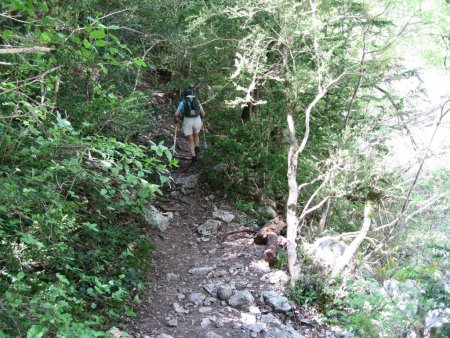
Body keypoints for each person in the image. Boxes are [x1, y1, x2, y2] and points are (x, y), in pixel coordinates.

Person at [174, 89, 206, 163]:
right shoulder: (197, 101)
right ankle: (197, 146)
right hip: (197, 120)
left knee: (190, 140)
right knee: (196, 134)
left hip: (187, 120)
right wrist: (201, 119)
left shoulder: (183, 102)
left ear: (185, 95)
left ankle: (194, 157)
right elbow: (203, 114)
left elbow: (176, 114)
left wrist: (175, 120)